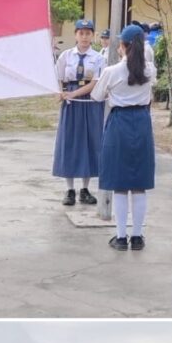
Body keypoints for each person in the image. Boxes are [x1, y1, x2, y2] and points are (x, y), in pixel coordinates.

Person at [80, 24, 156, 251]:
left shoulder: (112, 71)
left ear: (122, 46)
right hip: (142, 121)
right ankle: (138, 236)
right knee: (139, 184)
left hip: (119, 122)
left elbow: (96, 96)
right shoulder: (150, 70)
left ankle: (121, 237)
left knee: (120, 184)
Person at [52, 19, 106, 206]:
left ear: (93, 36)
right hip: (70, 104)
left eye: (88, 33)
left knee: (88, 142)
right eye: (81, 33)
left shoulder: (98, 58)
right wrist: (60, 92)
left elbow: (95, 82)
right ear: (75, 35)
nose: (84, 37)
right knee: (70, 141)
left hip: (89, 102)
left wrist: (73, 94)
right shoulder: (66, 56)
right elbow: (58, 77)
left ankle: (85, 188)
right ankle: (69, 189)